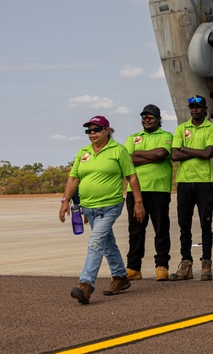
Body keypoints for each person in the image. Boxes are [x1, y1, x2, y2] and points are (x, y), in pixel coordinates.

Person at [59, 115, 145, 304]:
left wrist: (138, 202)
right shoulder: (83, 152)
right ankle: (120, 277)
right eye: (89, 131)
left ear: (107, 130)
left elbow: (131, 177)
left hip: (110, 205)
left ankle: (86, 284)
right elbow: (74, 179)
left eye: (96, 129)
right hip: (88, 207)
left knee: (95, 242)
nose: (92, 133)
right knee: (107, 243)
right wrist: (65, 201)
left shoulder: (118, 151)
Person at [170, 95, 213, 281]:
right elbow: (174, 155)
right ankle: (186, 264)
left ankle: (206, 263)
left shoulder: (211, 128)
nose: (195, 110)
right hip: (184, 182)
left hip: (203, 182)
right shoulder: (181, 129)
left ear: (205, 109)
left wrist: (185, 149)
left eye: (198, 107)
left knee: (205, 224)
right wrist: (189, 152)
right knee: (185, 225)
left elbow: (207, 154)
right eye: (192, 107)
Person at [123, 104, 173, 283]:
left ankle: (162, 266)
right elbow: (127, 160)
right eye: (144, 116)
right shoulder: (133, 137)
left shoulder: (166, 136)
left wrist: (138, 154)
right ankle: (133, 268)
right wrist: (148, 156)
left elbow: (161, 154)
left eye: (151, 116)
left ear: (159, 119)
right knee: (135, 231)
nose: (147, 119)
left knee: (161, 229)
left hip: (158, 190)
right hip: (135, 191)